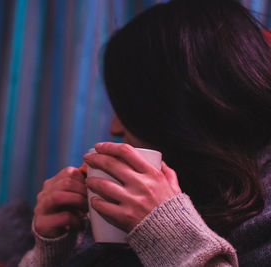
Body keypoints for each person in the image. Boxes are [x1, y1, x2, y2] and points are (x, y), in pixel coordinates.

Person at [18, 0, 271, 266]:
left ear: (179, 106)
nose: (113, 127)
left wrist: (168, 231)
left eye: (127, 107)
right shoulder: (178, 183)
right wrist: (47, 254)